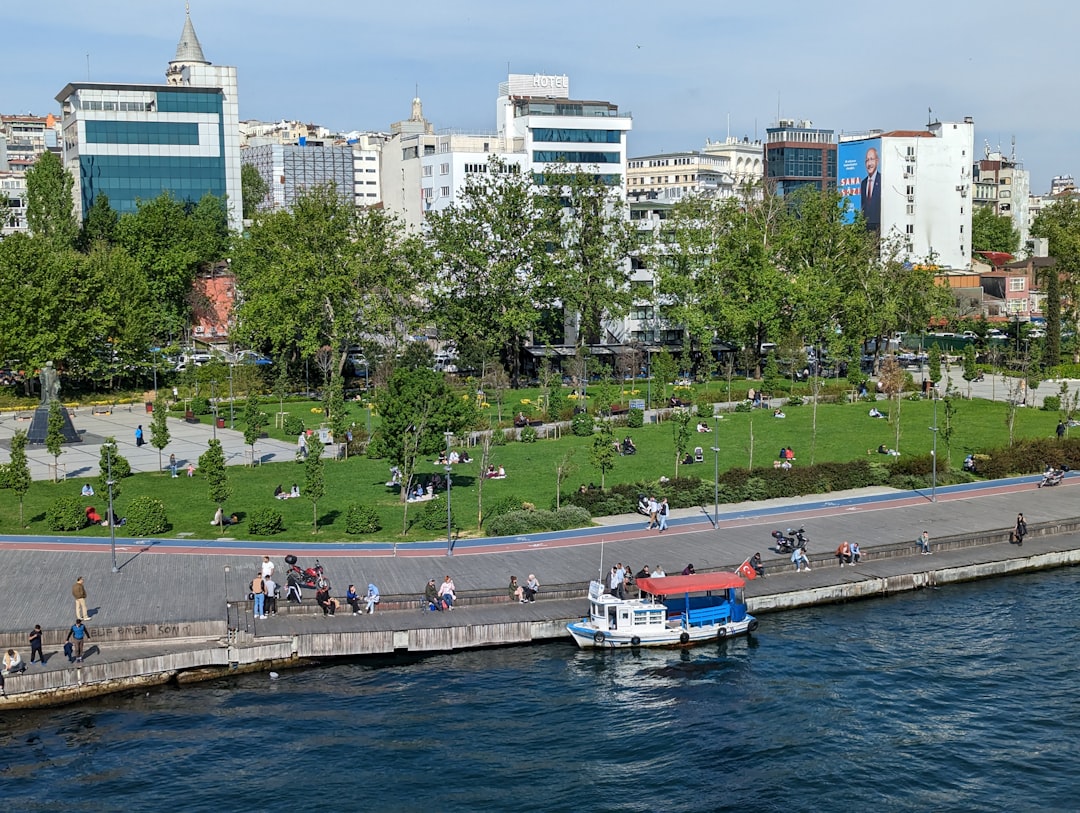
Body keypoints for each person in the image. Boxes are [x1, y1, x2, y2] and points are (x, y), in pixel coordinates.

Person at [861, 145, 881, 233]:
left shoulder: (882, 180)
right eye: (867, 160)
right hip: (866, 227)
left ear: (877, 161)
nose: (869, 164)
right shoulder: (863, 183)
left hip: (879, 226)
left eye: (872, 159)